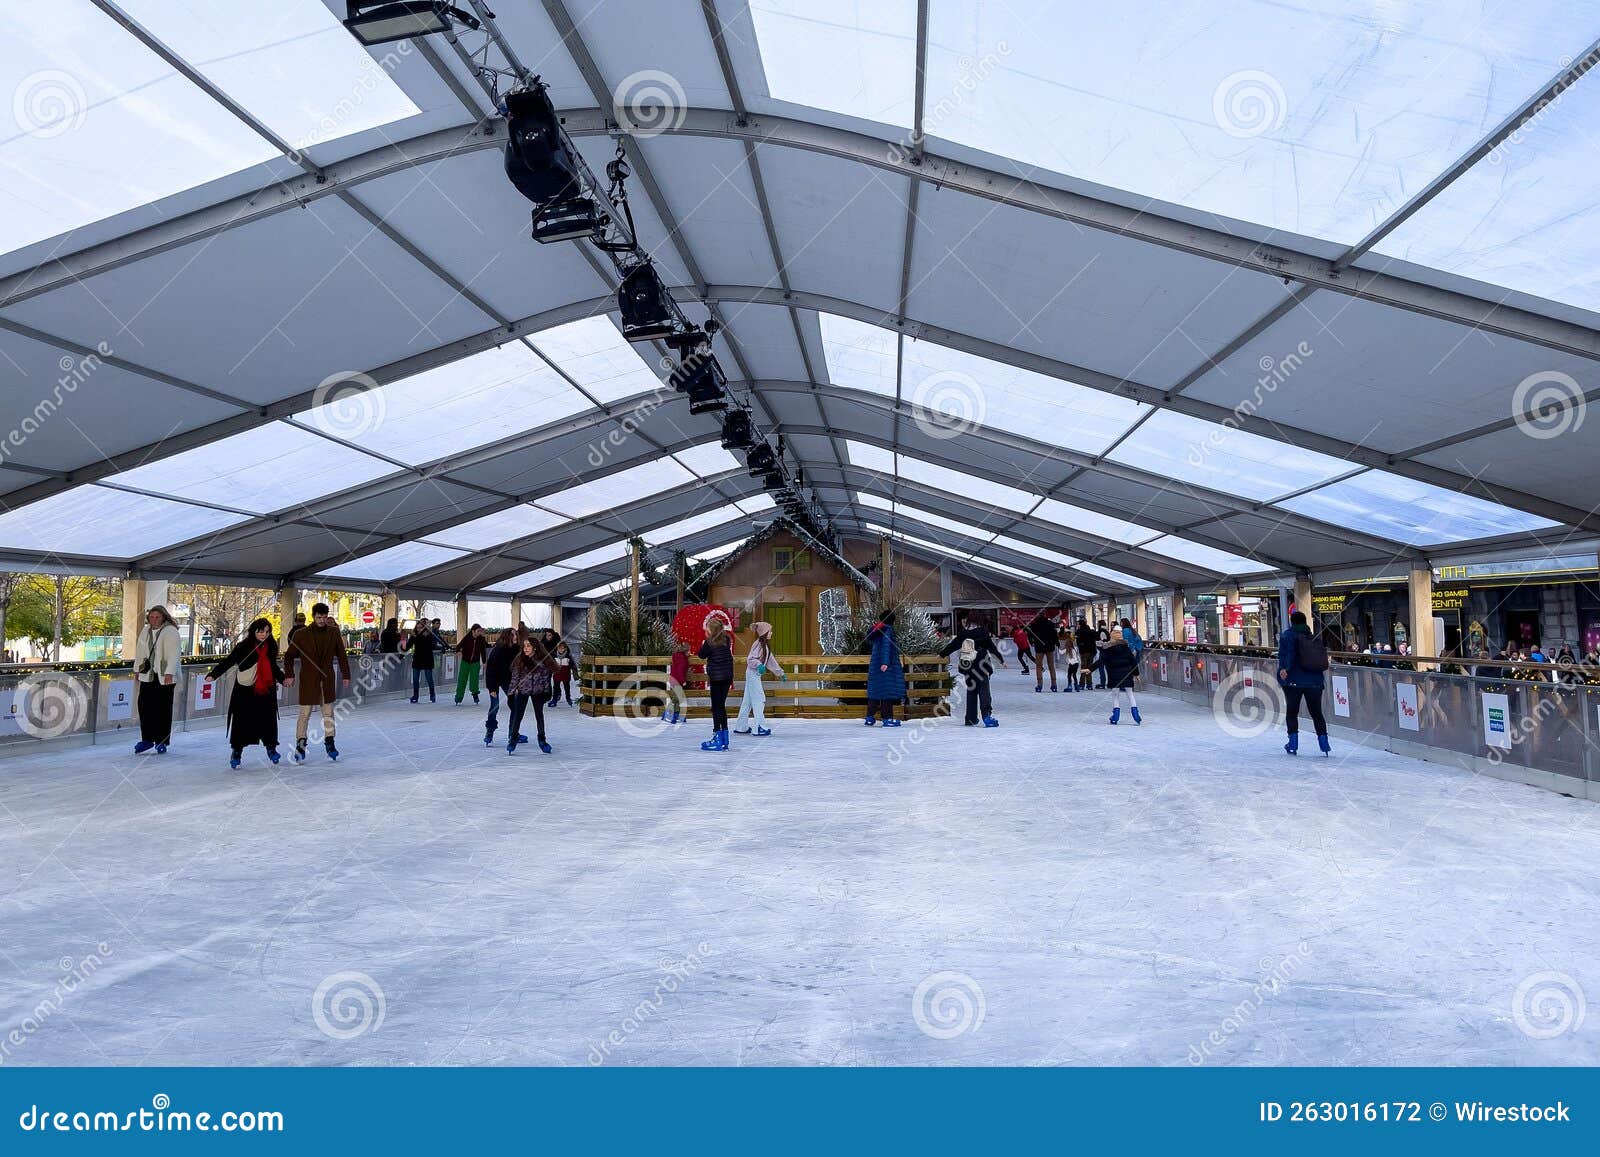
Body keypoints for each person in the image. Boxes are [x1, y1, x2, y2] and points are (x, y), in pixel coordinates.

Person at [206, 617, 284, 768]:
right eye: (260, 631)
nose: (263, 634)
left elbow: (273, 666)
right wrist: (214, 674)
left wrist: (282, 679)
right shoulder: (244, 646)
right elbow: (229, 661)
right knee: (242, 721)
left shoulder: (271, 646)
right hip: (245, 690)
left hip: (265, 690)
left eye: (267, 632)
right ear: (254, 631)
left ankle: (271, 748)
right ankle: (237, 751)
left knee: (268, 719)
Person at [281, 602, 352, 762]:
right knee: (304, 714)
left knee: (328, 713)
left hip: (326, 679)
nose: (322, 620)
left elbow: (342, 655)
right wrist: (289, 674)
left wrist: (346, 674)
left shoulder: (333, 633)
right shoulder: (301, 634)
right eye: (319, 617)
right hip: (308, 680)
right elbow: (289, 655)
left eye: (324, 617)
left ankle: (330, 742)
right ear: (313, 617)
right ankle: (300, 744)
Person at [1277, 610, 1330, 756]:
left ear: (1291, 621)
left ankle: (1293, 743)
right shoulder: (1313, 636)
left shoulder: (1287, 635)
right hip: (1315, 681)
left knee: (1292, 712)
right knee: (1316, 712)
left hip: (1293, 680)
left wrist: (1284, 668)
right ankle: (1323, 742)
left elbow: (1287, 654)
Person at [940, 611, 1005, 726]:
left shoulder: (964, 633)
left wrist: (942, 654)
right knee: (984, 692)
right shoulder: (983, 632)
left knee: (971, 692)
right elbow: (992, 648)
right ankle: (986, 716)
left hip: (968, 667)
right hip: (981, 666)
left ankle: (970, 718)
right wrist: (1001, 660)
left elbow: (953, 645)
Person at [132, 605, 181, 754]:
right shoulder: (146, 630)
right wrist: (137, 669)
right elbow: (140, 651)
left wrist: (169, 672)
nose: (154, 620)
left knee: (162, 709)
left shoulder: (170, 631)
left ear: (164, 617)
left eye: (157, 617)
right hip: (148, 674)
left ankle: (161, 740)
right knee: (144, 706)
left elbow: (174, 654)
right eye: (151, 617)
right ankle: (147, 739)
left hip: (164, 675)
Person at [732, 621, 787, 736]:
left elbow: (771, 661)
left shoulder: (765, 646)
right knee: (759, 699)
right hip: (752, 674)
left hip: (753, 674)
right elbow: (750, 659)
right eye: (770, 631)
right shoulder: (758, 645)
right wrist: (759, 665)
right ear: (764, 633)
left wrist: (780, 673)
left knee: (747, 701)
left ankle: (741, 726)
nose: (771, 633)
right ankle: (759, 727)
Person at [504, 635, 553, 754]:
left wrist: (547, 691)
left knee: (539, 715)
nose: (525, 648)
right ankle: (513, 739)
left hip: (537, 692)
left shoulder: (542, 661)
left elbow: (545, 678)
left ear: (535, 648)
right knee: (518, 716)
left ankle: (542, 739)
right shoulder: (520, 660)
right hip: (523, 691)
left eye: (528, 646)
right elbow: (515, 678)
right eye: (524, 646)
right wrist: (511, 693)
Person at [482, 629, 527, 747]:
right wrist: (492, 688)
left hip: (510, 681)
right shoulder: (498, 650)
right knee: (494, 706)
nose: (515, 636)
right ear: (507, 636)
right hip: (495, 680)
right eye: (512, 635)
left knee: (515, 706)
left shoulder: (518, 649)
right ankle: (490, 731)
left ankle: (513, 734)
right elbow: (490, 669)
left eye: (516, 634)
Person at [697, 617, 735, 750]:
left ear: (711, 630)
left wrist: (706, 639)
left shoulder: (709, 642)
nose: (705, 630)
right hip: (727, 677)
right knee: (721, 706)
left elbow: (701, 655)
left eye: (707, 628)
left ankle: (717, 736)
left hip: (716, 679)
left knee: (716, 707)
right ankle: (725, 737)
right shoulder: (726, 640)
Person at [864, 611, 906, 726]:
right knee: (887, 693)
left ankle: (869, 717)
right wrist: (885, 662)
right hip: (886, 666)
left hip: (875, 665)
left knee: (876, 691)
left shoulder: (878, 630)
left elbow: (878, 644)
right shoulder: (888, 629)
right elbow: (886, 646)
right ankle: (887, 718)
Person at [1092, 631, 1142, 724]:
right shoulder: (1127, 649)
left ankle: (1116, 716)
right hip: (1127, 675)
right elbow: (1133, 662)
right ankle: (1136, 715)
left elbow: (1101, 662)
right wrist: (1136, 674)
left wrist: (1089, 669)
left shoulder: (1108, 650)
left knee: (1115, 695)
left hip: (1114, 675)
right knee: (1130, 694)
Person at [407, 617, 440, 703]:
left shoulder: (429, 636)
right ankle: (415, 695)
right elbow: (408, 646)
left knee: (429, 678)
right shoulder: (414, 636)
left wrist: (441, 647)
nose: (419, 630)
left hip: (427, 658)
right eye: (417, 628)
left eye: (420, 628)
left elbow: (434, 645)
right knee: (415, 679)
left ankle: (432, 694)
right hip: (417, 659)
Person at [1026, 610, 1060, 693]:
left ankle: (1040, 685)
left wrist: (1031, 642)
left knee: (1039, 666)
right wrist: (1056, 642)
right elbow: (1054, 633)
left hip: (1039, 647)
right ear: (1045, 615)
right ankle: (1054, 684)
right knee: (1051, 665)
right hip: (1049, 646)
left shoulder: (1034, 624)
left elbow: (1029, 633)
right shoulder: (1050, 623)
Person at [455, 623, 486, 704]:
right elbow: (458, 646)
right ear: (473, 631)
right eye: (478, 631)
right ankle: (458, 697)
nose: (479, 632)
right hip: (465, 661)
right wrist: (458, 651)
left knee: (474, 679)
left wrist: (484, 661)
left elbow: (483, 651)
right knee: (462, 679)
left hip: (475, 662)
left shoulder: (481, 639)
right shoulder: (467, 638)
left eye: (480, 631)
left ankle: (475, 695)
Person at [666, 639, 690, 726]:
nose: (690, 653)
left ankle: (675, 715)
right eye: (689, 651)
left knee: (677, 698)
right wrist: (683, 681)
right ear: (685, 651)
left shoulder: (677, 656)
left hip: (673, 680)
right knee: (677, 699)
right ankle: (675, 716)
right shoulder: (683, 660)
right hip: (677, 681)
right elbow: (680, 671)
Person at [1073, 617, 1097, 690]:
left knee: (1084, 667)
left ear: (1080, 625)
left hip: (1084, 651)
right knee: (1089, 667)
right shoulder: (1090, 631)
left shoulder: (1079, 632)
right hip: (1092, 651)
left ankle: (1082, 684)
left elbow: (1077, 641)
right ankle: (1089, 684)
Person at [550, 640, 576, 705]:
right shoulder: (554, 656)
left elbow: (573, 665)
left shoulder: (568, 656)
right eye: (559, 648)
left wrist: (575, 674)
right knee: (556, 687)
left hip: (565, 674)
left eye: (562, 648)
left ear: (565, 648)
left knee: (567, 687)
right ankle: (554, 699)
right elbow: (551, 664)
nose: (561, 650)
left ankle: (568, 698)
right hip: (557, 674)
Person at [1094, 620, 1112, 687]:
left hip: (1103, 651)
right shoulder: (1106, 631)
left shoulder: (1101, 632)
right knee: (1107, 667)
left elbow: (1103, 642)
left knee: (1101, 667)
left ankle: (1103, 683)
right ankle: (1109, 682)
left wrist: (1096, 643)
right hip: (1107, 651)